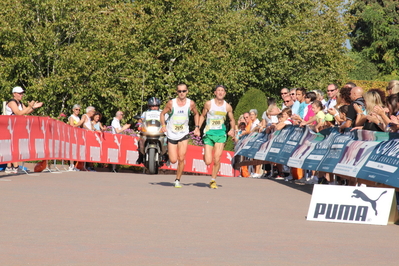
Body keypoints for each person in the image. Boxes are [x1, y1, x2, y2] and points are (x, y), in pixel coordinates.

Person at [160, 84, 200, 188]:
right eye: (179, 91)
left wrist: (197, 127)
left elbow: (196, 114)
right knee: (173, 160)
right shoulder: (171, 103)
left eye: (184, 91)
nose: (182, 93)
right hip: (172, 133)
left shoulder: (190, 103)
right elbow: (162, 114)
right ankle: (167, 156)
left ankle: (177, 180)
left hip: (183, 133)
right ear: (176, 92)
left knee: (181, 158)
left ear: (187, 91)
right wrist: (163, 125)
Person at [198, 85, 235, 188]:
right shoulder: (209, 104)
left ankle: (213, 180)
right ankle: (205, 156)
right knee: (208, 161)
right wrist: (197, 128)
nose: (220, 92)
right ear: (215, 92)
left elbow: (232, 120)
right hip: (209, 134)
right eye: (218, 90)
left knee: (217, 158)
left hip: (221, 134)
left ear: (225, 93)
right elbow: (202, 116)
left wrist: (232, 129)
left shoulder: (227, 106)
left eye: (222, 91)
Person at [5, 86, 43, 174]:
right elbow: (18, 113)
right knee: (13, 146)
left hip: (17, 126)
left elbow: (26, 111)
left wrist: (33, 107)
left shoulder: (20, 103)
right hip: (10, 127)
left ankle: (10, 167)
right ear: (14, 94)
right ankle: (14, 167)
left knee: (14, 146)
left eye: (22, 93)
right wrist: (29, 107)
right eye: (19, 93)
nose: (21, 95)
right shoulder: (12, 102)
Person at [136, 97, 167, 165]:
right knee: (140, 140)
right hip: (148, 131)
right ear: (149, 106)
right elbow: (141, 120)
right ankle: (140, 156)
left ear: (158, 106)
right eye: (152, 106)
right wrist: (139, 124)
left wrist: (168, 124)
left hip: (159, 131)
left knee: (169, 140)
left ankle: (166, 155)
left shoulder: (163, 112)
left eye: (156, 106)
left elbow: (168, 120)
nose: (154, 107)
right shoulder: (145, 113)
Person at [68, 104, 82, 171]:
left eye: (79, 110)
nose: (78, 111)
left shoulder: (78, 118)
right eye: (76, 109)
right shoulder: (71, 117)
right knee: (72, 150)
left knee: (76, 151)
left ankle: (74, 165)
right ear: (73, 110)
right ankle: (71, 165)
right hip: (72, 135)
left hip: (77, 135)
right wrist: (79, 124)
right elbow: (71, 126)